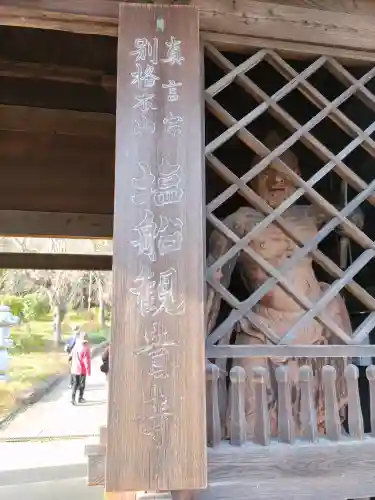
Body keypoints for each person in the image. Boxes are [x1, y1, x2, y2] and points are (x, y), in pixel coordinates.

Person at [70, 332, 91, 405]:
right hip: (82, 369)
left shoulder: (76, 346)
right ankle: (80, 398)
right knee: (82, 384)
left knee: (75, 384)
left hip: (74, 369)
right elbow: (86, 360)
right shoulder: (86, 348)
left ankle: (73, 399)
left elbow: (71, 355)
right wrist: (88, 371)